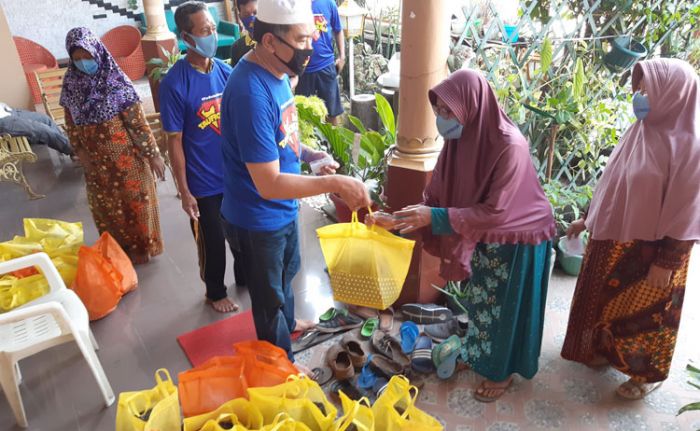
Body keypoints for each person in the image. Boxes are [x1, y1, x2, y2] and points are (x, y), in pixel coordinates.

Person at [368, 69, 556, 402]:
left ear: (471, 106)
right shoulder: (459, 142)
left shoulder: (509, 146)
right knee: (483, 303)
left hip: (519, 239)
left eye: (447, 112)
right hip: (484, 236)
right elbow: (435, 198)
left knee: (506, 310)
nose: (442, 120)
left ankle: (502, 371)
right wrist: (395, 219)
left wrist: (435, 216)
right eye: (438, 111)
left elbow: (497, 212)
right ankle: (479, 353)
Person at [219, 0, 370, 363]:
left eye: (312, 36)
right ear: (270, 41)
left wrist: (310, 157)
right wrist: (336, 185)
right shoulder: (250, 92)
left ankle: (288, 324)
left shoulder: (277, 72)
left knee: (285, 277)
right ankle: (279, 362)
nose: (311, 47)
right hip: (257, 217)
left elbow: (283, 135)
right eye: (302, 39)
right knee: (268, 297)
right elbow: (268, 183)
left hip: (281, 210)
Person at [561, 58, 700, 400]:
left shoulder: (689, 147)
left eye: (647, 90)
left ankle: (643, 375)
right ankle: (608, 353)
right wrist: (587, 218)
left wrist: (666, 262)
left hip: (652, 250)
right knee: (608, 308)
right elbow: (613, 184)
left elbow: (687, 212)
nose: (639, 96)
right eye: (638, 89)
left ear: (673, 95)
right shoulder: (637, 132)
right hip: (613, 238)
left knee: (646, 317)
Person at [159, 1, 246, 313]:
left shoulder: (225, 72)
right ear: (187, 37)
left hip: (234, 173)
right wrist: (184, 190)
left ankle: (244, 277)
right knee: (212, 240)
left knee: (242, 230)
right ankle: (215, 292)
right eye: (205, 30)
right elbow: (175, 142)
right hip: (203, 181)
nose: (212, 34)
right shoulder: (174, 83)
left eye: (213, 28)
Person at [60, 27, 165, 265]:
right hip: (97, 166)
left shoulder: (117, 83)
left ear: (97, 52)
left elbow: (138, 125)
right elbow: (71, 126)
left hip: (128, 162)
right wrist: (81, 153)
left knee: (136, 205)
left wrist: (153, 155)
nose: (83, 63)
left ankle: (142, 249)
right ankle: (118, 249)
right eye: (77, 59)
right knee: (106, 208)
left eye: (87, 56)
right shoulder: (71, 87)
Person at [294, 0, 345, 125]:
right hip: (303, 69)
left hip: (326, 66)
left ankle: (334, 144)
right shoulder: (294, 4)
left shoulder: (328, 3)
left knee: (332, 113)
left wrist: (342, 56)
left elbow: (338, 30)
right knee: (304, 116)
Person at [0, 102, 74, 157]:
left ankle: (67, 148)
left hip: (7, 111)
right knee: (42, 130)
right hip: (3, 122)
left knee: (45, 119)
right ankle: (74, 151)